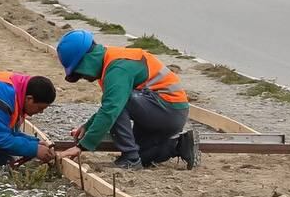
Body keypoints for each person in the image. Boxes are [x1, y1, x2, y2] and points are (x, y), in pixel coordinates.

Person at [52, 30, 198, 170]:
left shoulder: (117, 68)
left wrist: (81, 147)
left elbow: (112, 109)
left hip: (167, 110)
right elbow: (111, 105)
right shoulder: (109, 63)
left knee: (120, 109)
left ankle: (130, 159)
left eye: (80, 73)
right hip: (163, 111)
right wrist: (88, 125)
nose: (83, 78)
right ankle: (179, 146)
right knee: (142, 154)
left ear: (88, 59)